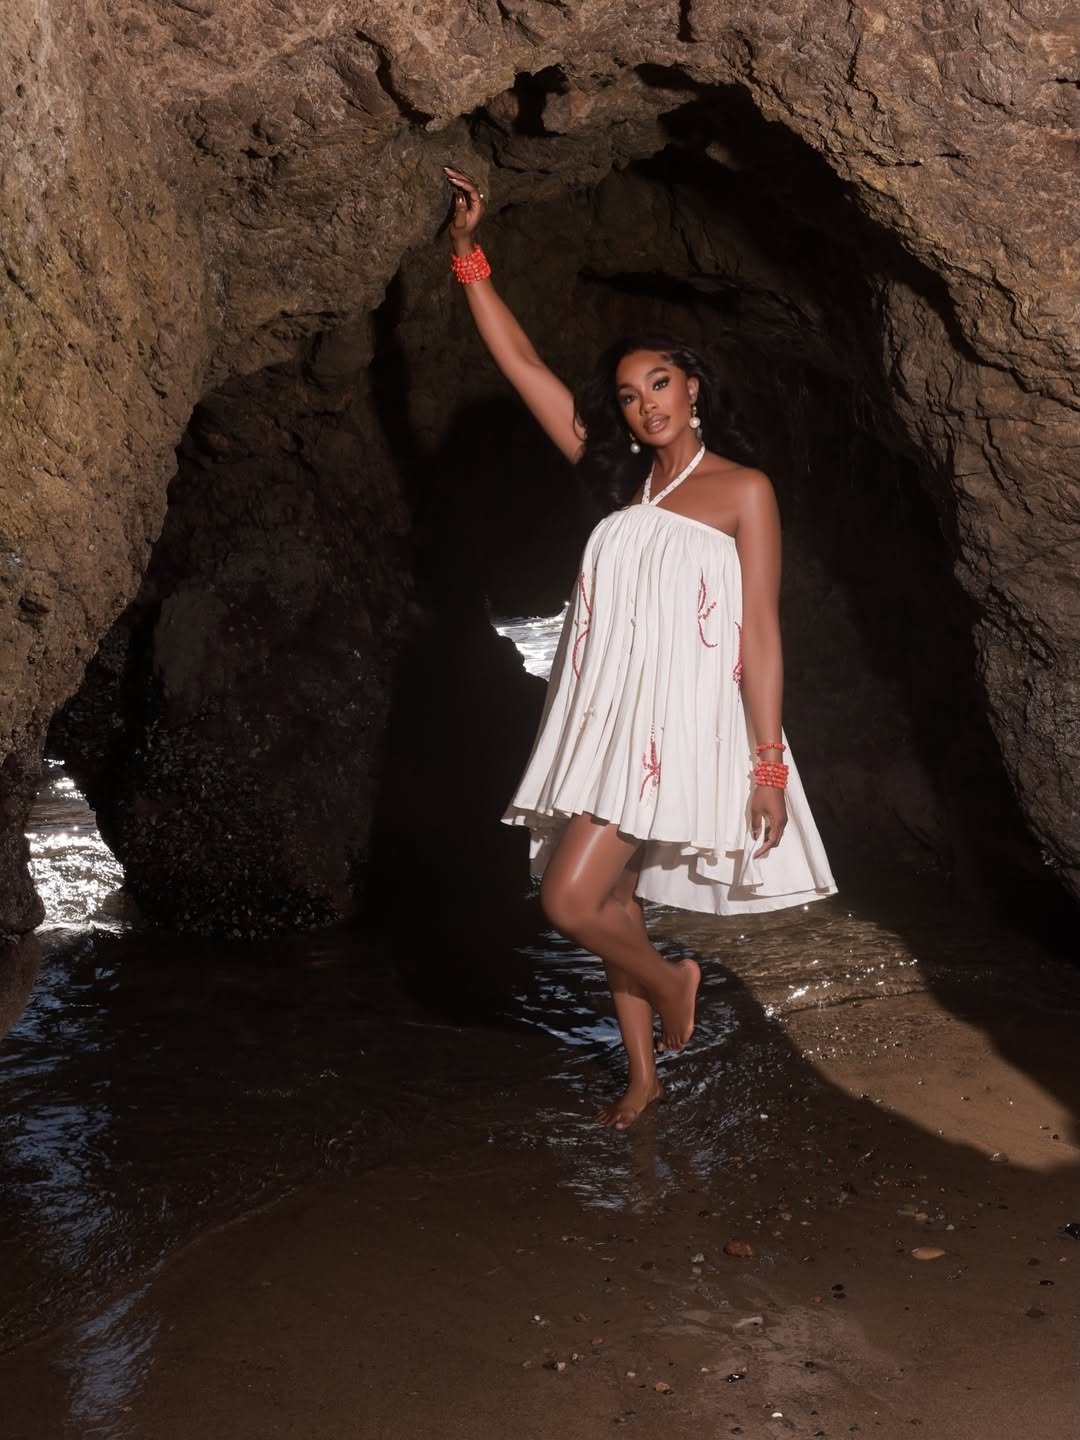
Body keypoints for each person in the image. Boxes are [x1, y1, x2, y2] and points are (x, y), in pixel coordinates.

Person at [443, 166, 836, 1129]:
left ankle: (674, 983)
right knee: (610, 899)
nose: (645, 404)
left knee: (567, 902)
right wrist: (466, 257)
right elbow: (526, 364)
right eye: (627, 395)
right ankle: (645, 1078)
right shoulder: (623, 486)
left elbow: (760, 630)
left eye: (659, 383)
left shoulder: (745, 491)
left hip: (680, 733)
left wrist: (768, 764)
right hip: (603, 726)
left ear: (691, 386)